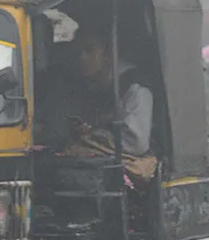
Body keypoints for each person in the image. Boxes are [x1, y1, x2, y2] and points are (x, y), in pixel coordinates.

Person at [40, 24, 154, 162]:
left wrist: (91, 135)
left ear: (108, 55)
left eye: (89, 50)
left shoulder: (136, 90)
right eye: (78, 51)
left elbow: (135, 143)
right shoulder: (87, 87)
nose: (81, 57)